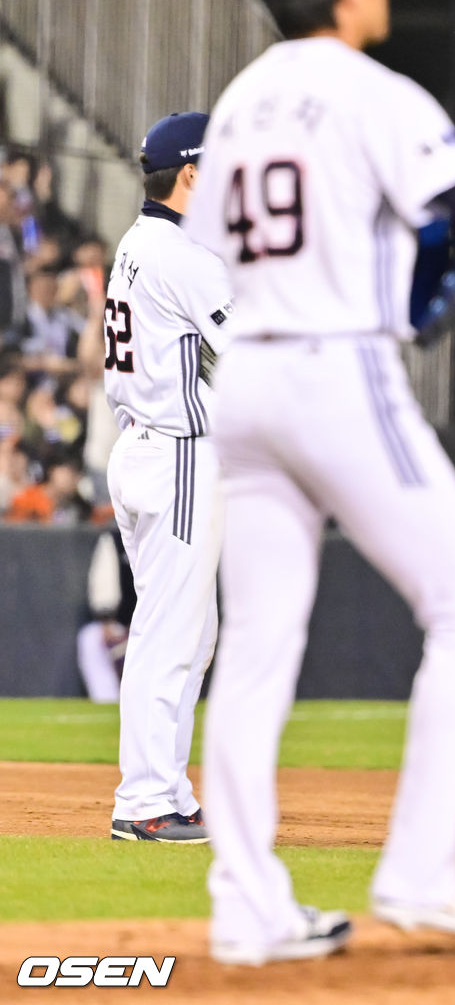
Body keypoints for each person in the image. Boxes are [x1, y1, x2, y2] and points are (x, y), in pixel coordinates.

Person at [184, 0, 455, 966]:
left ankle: (248, 907)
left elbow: (216, 247)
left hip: (245, 380)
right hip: (335, 370)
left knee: (255, 647)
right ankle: (420, 871)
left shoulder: (240, 103)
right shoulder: (369, 89)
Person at [104, 111, 233, 844]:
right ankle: (146, 801)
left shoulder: (140, 241)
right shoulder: (184, 257)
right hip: (179, 453)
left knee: (189, 631)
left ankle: (167, 793)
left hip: (144, 448)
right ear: (190, 173)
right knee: (172, 633)